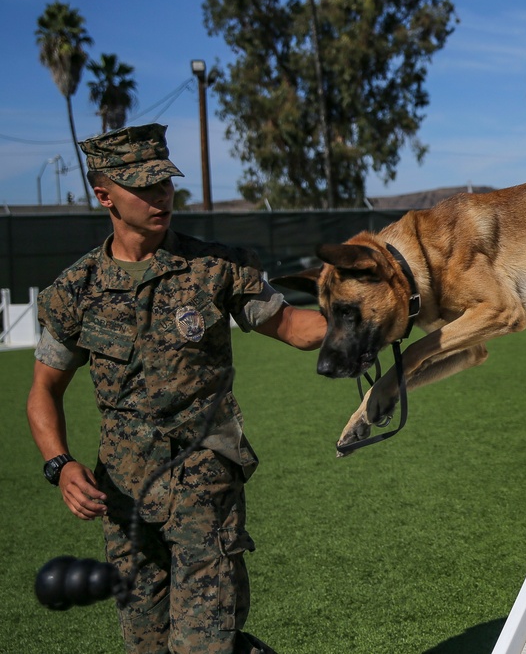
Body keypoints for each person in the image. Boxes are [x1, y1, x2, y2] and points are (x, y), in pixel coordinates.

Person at [26, 123, 327, 653]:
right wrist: (60, 463)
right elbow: (43, 391)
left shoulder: (216, 267)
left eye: (164, 182)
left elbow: (296, 329)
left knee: (202, 646)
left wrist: (371, 317)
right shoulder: (77, 291)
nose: (161, 196)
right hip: (125, 499)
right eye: (143, 187)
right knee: (146, 646)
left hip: (204, 485)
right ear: (104, 195)